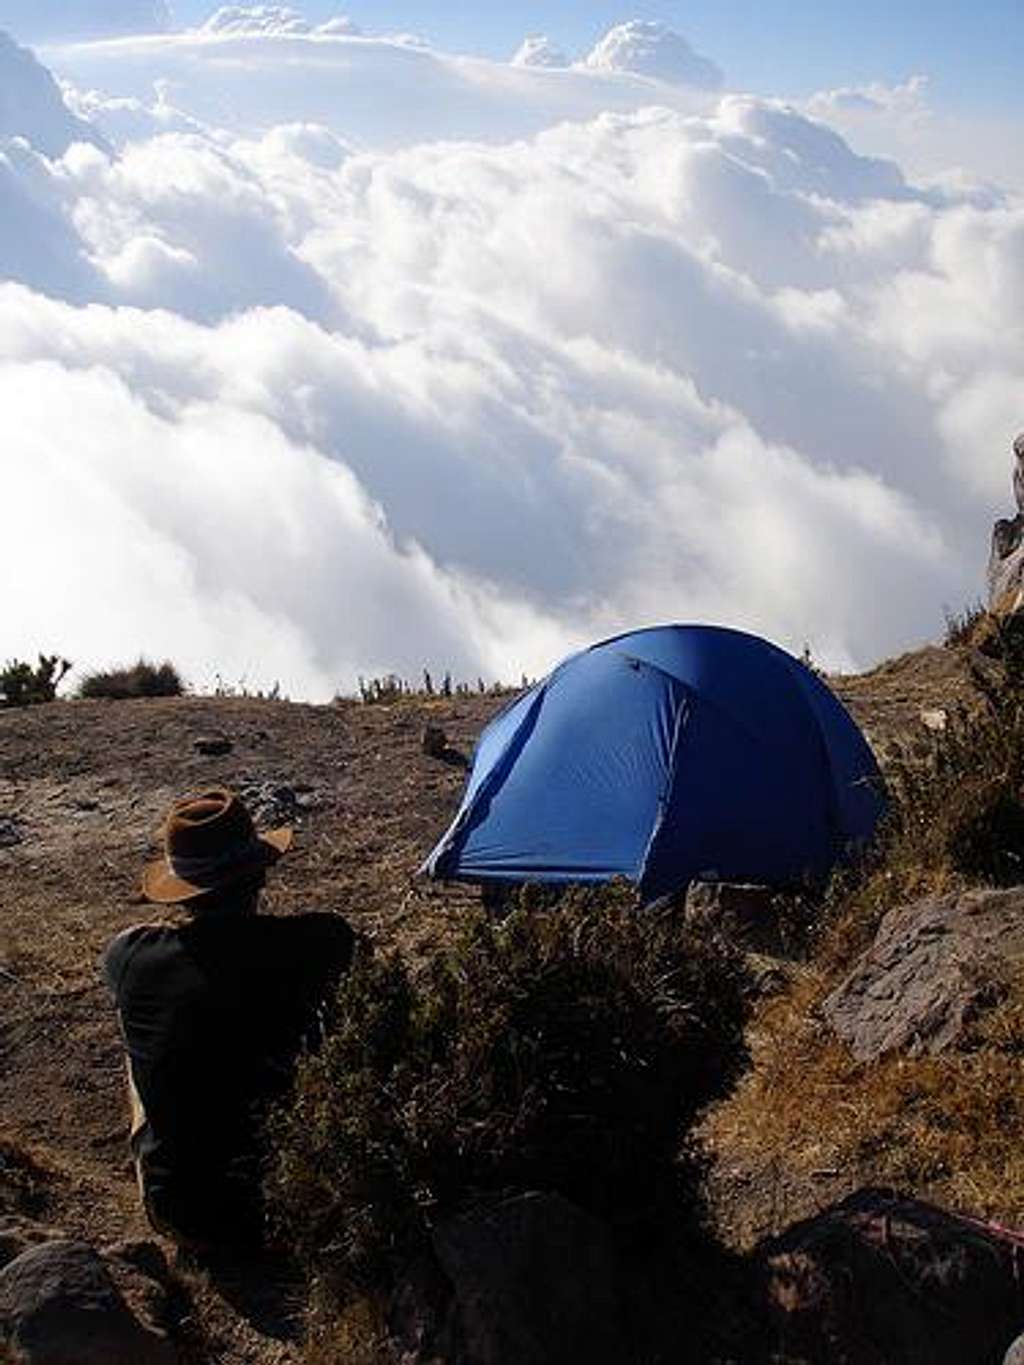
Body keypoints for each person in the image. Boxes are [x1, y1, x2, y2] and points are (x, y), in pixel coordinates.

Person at [101, 786, 355, 1252]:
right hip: (306, 1205)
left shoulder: (130, 958)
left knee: (140, 1029)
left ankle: (169, 1154)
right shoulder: (322, 942)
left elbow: (125, 953)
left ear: (181, 892)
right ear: (261, 875)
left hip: (183, 1212)